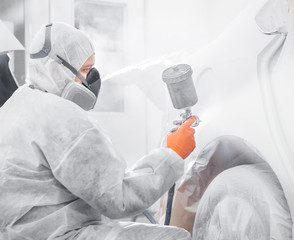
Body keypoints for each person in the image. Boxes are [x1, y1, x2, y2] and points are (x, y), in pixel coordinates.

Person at [0, 22, 196, 240]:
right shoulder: (61, 116)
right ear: (56, 69)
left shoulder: (17, 105)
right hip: (61, 234)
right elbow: (119, 198)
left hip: (23, 234)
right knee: (176, 237)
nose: (89, 80)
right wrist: (173, 154)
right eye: (84, 70)